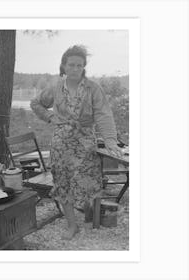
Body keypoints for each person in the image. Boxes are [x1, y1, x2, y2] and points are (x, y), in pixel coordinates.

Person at [30, 45, 123, 240]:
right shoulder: (55, 87)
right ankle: (72, 225)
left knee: (90, 182)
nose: (75, 68)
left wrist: (110, 141)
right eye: (71, 65)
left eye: (79, 65)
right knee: (63, 184)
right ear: (63, 66)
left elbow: (104, 114)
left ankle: (90, 214)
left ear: (84, 67)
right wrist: (49, 117)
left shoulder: (93, 88)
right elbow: (36, 104)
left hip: (85, 144)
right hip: (61, 145)